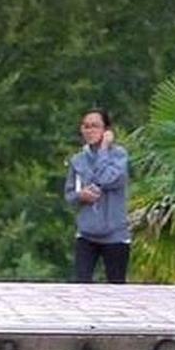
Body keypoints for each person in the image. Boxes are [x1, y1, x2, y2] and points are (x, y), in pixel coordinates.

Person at [64, 108, 130, 283]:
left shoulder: (119, 155)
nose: (90, 130)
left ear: (106, 130)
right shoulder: (77, 160)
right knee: (81, 285)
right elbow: (69, 195)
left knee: (116, 287)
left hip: (115, 235)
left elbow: (106, 179)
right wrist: (81, 196)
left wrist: (103, 149)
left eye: (95, 126)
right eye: (86, 126)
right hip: (86, 234)